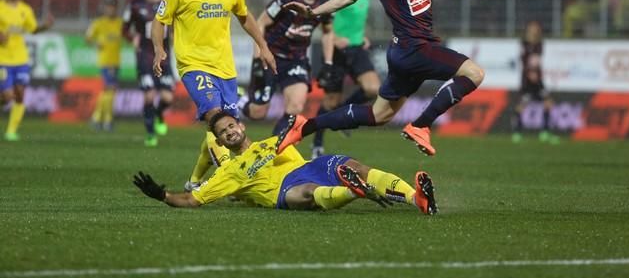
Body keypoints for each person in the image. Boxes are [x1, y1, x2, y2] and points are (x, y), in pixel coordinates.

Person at [278, 0, 490, 156]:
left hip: (405, 53)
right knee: (474, 73)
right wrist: (313, 13)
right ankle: (421, 125)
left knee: (378, 115)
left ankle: (306, 127)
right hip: (414, 49)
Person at [151, 0, 276, 191]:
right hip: (194, 66)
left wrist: (263, 46)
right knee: (218, 119)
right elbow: (159, 20)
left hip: (225, 69)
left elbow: (245, 16)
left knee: (220, 128)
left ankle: (195, 181)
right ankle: (233, 179)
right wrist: (159, 49)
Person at [133, 112, 437, 215]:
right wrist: (163, 196)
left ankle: (416, 198)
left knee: (354, 165)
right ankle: (352, 191)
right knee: (306, 193)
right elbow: (192, 199)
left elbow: (301, 126)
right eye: (224, 133)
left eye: (231, 126)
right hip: (284, 190)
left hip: (310, 166)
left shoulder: (274, 142)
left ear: (241, 126)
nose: (230, 131)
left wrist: (298, 122)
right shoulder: (231, 171)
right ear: (223, 143)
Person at [239, 0, 337, 138]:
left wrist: (329, 63)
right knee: (257, 113)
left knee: (296, 108)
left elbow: (327, 31)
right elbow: (260, 23)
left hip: (296, 60)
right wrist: (257, 59)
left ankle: (273, 148)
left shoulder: (325, 2)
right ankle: (239, 98)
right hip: (271, 56)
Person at [311, 0, 381, 158]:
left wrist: (363, 35)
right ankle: (317, 142)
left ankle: (342, 112)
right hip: (337, 50)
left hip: (357, 48)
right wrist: (334, 38)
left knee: (373, 88)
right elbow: (324, 22)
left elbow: (356, 20)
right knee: (329, 102)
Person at [123, 0, 174, 147]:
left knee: (168, 97)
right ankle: (151, 134)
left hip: (164, 56)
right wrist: (132, 37)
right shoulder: (135, 5)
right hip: (144, 56)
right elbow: (124, 29)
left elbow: (177, 26)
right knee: (149, 96)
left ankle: (160, 115)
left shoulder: (169, 3)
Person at [0, 0, 54, 141]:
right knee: (7, 96)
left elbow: (33, 29)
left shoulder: (25, 9)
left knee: (20, 94)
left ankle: (11, 131)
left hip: (21, 59)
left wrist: (45, 26)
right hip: (2, 59)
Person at [512, 20, 558, 144]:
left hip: (538, 80)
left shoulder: (540, 44)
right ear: (528, 30)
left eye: (537, 28)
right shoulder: (523, 43)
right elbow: (523, 60)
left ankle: (545, 132)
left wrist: (535, 73)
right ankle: (517, 132)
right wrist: (529, 72)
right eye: (533, 28)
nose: (535, 30)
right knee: (522, 105)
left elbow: (536, 61)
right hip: (527, 80)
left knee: (548, 102)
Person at [86, 0, 122, 132]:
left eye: (113, 6)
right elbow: (88, 38)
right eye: (109, 6)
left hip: (116, 61)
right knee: (110, 89)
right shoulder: (99, 23)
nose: (111, 9)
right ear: (105, 8)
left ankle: (96, 118)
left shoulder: (120, 23)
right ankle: (107, 120)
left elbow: (128, 36)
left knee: (108, 91)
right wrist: (97, 44)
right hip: (105, 61)